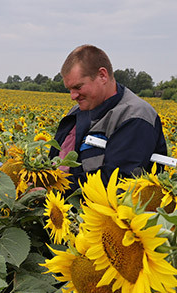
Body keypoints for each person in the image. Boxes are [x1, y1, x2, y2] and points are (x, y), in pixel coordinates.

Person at [51, 44, 167, 190]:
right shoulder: (78, 111)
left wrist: (54, 187)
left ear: (102, 75)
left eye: (78, 87)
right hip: (63, 206)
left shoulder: (135, 116)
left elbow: (116, 181)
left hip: (107, 210)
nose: (72, 96)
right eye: (69, 89)